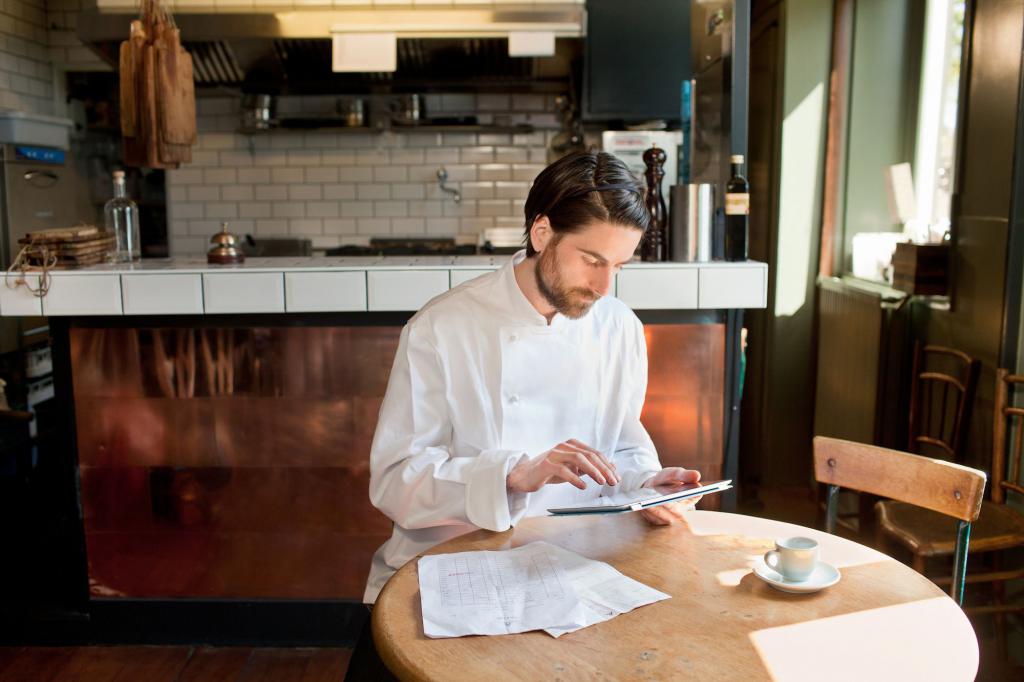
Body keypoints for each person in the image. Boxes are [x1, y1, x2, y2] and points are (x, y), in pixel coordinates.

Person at [346, 150, 703, 678]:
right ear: (541, 233)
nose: (605, 287)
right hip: (450, 574)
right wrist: (511, 475)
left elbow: (621, 445)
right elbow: (396, 481)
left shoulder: (618, 327)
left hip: (575, 575)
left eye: (619, 266)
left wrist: (647, 484)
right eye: (592, 260)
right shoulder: (442, 329)